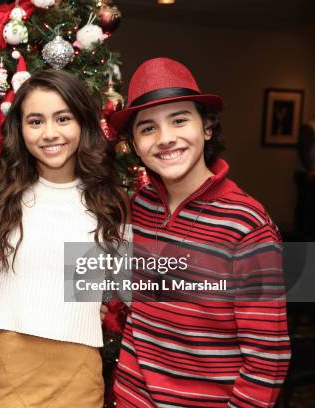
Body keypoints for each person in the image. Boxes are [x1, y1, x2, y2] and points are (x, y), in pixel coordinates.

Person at [107, 57, 290, 407]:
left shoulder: (247, 223)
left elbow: (269, 357)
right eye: (148, 128)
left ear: (206, 127)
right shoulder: (137, 208)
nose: (165, 139)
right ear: (133, 143)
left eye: (179, 120)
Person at [0, 69, 130, 407]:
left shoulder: (109, 202)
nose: (50, 133)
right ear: (19, 129)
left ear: (82, 123)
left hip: (77, 371)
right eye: (35, 121)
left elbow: (121, 285)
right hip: (4, 366)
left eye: (62, 118)